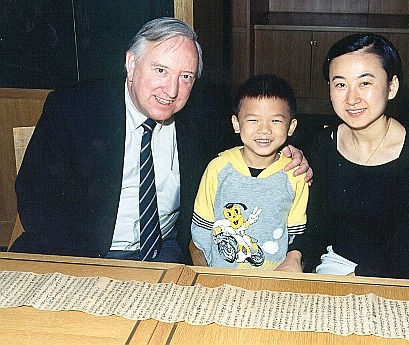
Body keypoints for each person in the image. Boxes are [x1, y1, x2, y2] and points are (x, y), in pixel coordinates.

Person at [10, 17, 312, 264]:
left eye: (186, 77)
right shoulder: (73, 108)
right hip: (84, 254)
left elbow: (261, 131)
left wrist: (289, 150)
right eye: (160, 70)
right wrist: (84, 268)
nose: (171, 90)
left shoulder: (203, 115)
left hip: (164, 252)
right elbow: (36, 199)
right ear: (131, 64)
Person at [301, 33, 409, 280]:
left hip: (398, 275)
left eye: (365, 83)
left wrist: (354, 281)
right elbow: (316, 224)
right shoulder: (324, 144)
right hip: (336, 264)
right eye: (340, 84)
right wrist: (296, 256)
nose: (352, 98)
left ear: (392, 86)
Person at [190, 74, 308, 272]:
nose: (264, 130)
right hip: (221, 275)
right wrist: (210, 269)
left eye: (275, 121)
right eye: (253, 120)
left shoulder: (295, 174)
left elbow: (296, 233)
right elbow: (202, 226)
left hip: (274, 279)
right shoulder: (218, 168)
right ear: (236, 124)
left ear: (291, 127)